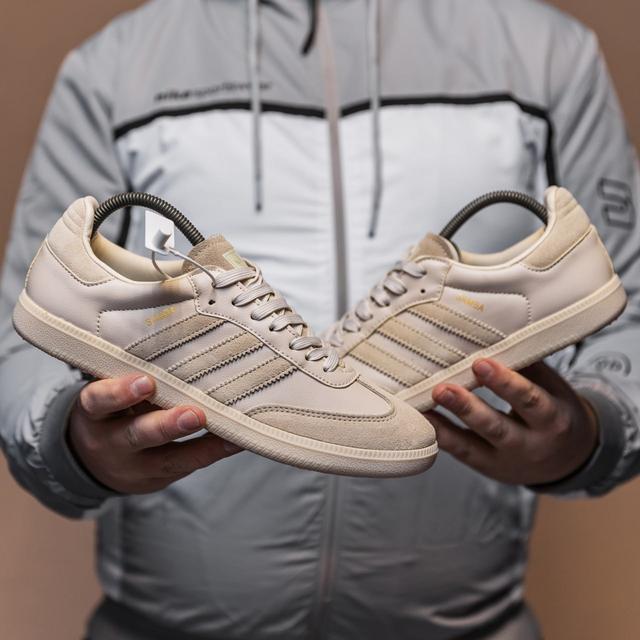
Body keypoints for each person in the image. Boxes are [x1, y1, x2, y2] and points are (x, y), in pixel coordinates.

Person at [1, 1, 639, 638]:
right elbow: (30, 325)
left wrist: (593, 431)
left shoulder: (548, 54)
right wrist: (70, 440)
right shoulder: (117, 66)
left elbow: (626, 308)